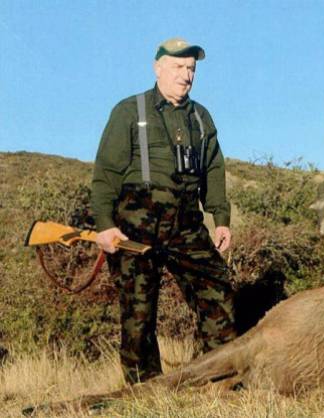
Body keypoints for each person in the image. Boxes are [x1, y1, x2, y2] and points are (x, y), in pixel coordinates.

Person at [90, 38, 236, 384]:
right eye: (178, 67)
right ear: (158, 68)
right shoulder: (130, 111)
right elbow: (106, 173)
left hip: (186, 221)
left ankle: (219, 380)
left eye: (191, 69)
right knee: (138, 309)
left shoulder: (201, 117)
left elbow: (213, 170)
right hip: (135, 222)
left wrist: (220, 220)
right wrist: (105, 225)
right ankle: (145, 392)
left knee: (217, 289)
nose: (185, 75)